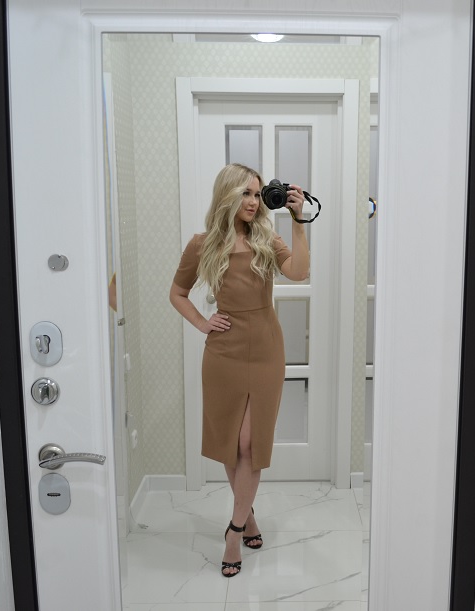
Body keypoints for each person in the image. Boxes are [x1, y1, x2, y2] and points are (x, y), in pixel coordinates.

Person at [169, 163, 309, 578]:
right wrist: (202, 323)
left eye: (257, 193)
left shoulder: (267, 237)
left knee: (250, 444)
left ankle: (233, 529)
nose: (253, 201)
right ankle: (247, 517)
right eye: (245, 193)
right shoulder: (202, 245)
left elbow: (299, 272)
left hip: (266, 346)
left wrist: (298, 221)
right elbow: (177, 293)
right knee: (231, 444)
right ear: (228, 195)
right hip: (224, 352)